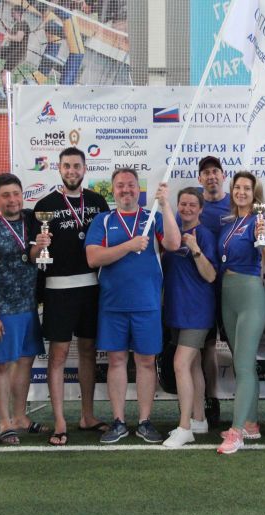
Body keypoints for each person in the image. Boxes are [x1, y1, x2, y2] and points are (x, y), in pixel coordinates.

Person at [86, 169, 181, 444]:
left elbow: (174, 243)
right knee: (116, 361)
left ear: (138, 189)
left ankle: (144, 421)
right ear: (112, 190)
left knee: (146, 363)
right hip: (112, 305)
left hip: (147, 305)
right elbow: (93, 258)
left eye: (130, 185)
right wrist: (129, 245)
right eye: (120, 186)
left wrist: (165, 204)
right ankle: (118, 421)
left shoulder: (153, 217)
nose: (125, 190)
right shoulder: (103, 221)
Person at [30, 146, 109, 446]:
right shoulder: (45, 205)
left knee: (88, 351)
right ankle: (60, 421)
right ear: (59, 169)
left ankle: (87, 415)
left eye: (77, 166)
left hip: (92, 288)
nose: (72, 171)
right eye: (67, 166)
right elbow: (35, 255)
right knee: (59, 356)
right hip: (58, 290)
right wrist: (39, 246)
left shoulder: (98, 202)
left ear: (85, 169)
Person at [0, 173, 51, 446]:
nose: (12, 200)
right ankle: (5, 422)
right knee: (3, 365)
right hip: (2, 309)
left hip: (29, 306)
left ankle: (20, 417)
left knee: (26, 362)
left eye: (16, 194)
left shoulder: (31, 220)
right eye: (6, 195)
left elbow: (34, 253)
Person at [216, 171, 265, 455]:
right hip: (228, 295)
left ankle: (237, 431)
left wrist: (261, 242)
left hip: (250, 295)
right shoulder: (229, 223)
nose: (241, 192)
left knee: (242, 364)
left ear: (255, 194)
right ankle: (251, 423)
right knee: (245, 363)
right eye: (237, 187)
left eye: (247, 188)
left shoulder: (259, 221)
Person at [162, 188, 218, 448]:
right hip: (176, 310)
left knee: (180, 364)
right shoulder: (171, 232)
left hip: (197, 310)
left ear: (201, 209)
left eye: (192, 204)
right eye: (183, 204)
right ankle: (199, 419)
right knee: (193, 365)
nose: (186, 208)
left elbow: (211, 275)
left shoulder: (204, 235)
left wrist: (195, 249)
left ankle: (184, 427)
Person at [197, 155, 231, 427]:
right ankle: (211, 398)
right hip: (204, 288)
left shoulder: (237, 204)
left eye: (215, 171)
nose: (211, 176)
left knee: (238, 346)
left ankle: (247, 406)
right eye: (206, 173)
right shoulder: (193, 207)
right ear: (200, 179)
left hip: (232, 287)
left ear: (223, 175)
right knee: (207, 345)